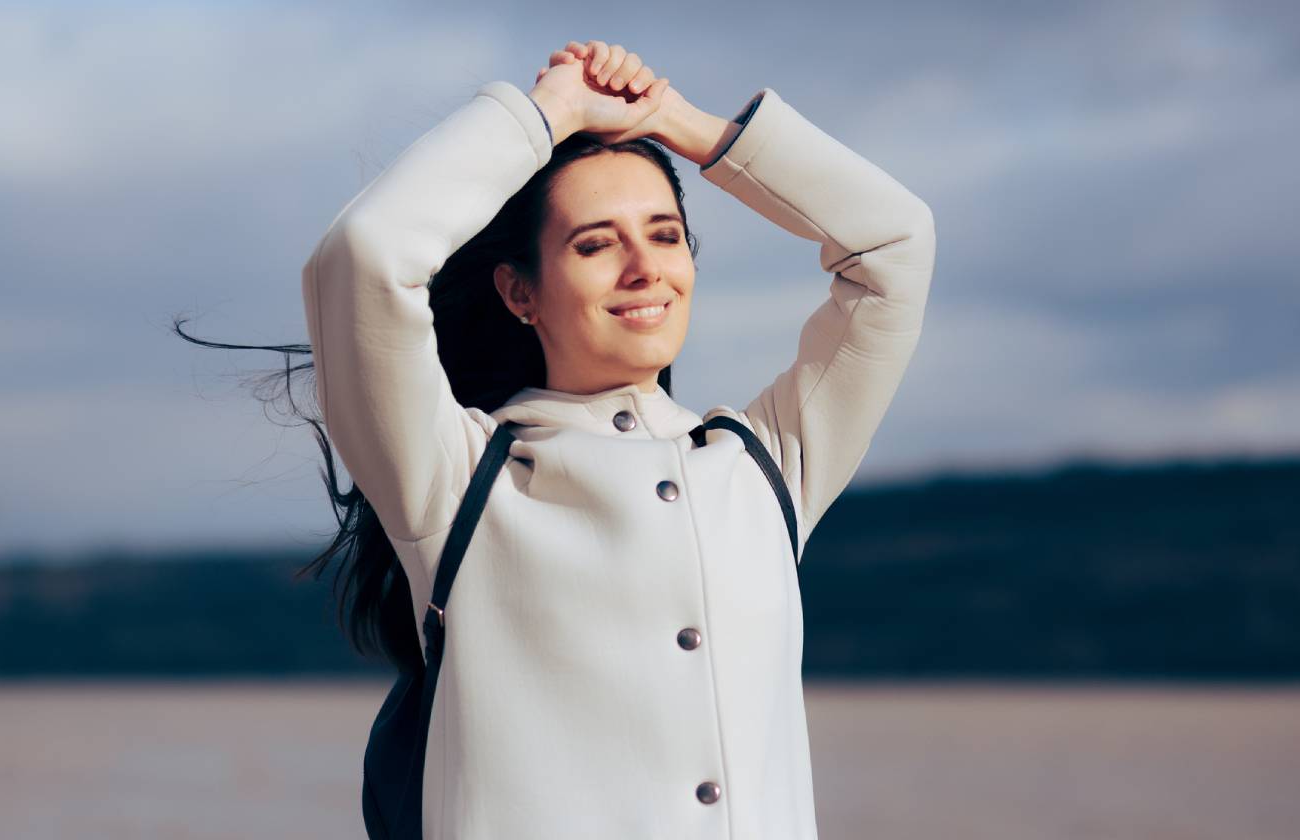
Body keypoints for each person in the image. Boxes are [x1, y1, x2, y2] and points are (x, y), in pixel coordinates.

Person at [299, 39, 935, 838]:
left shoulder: (765, 469)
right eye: (595, 244)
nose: (644, 268)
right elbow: (362, 257)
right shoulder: (458, 478)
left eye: (665, 235)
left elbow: (895, 249)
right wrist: (550, 114)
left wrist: (680, 123)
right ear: (518, 290)